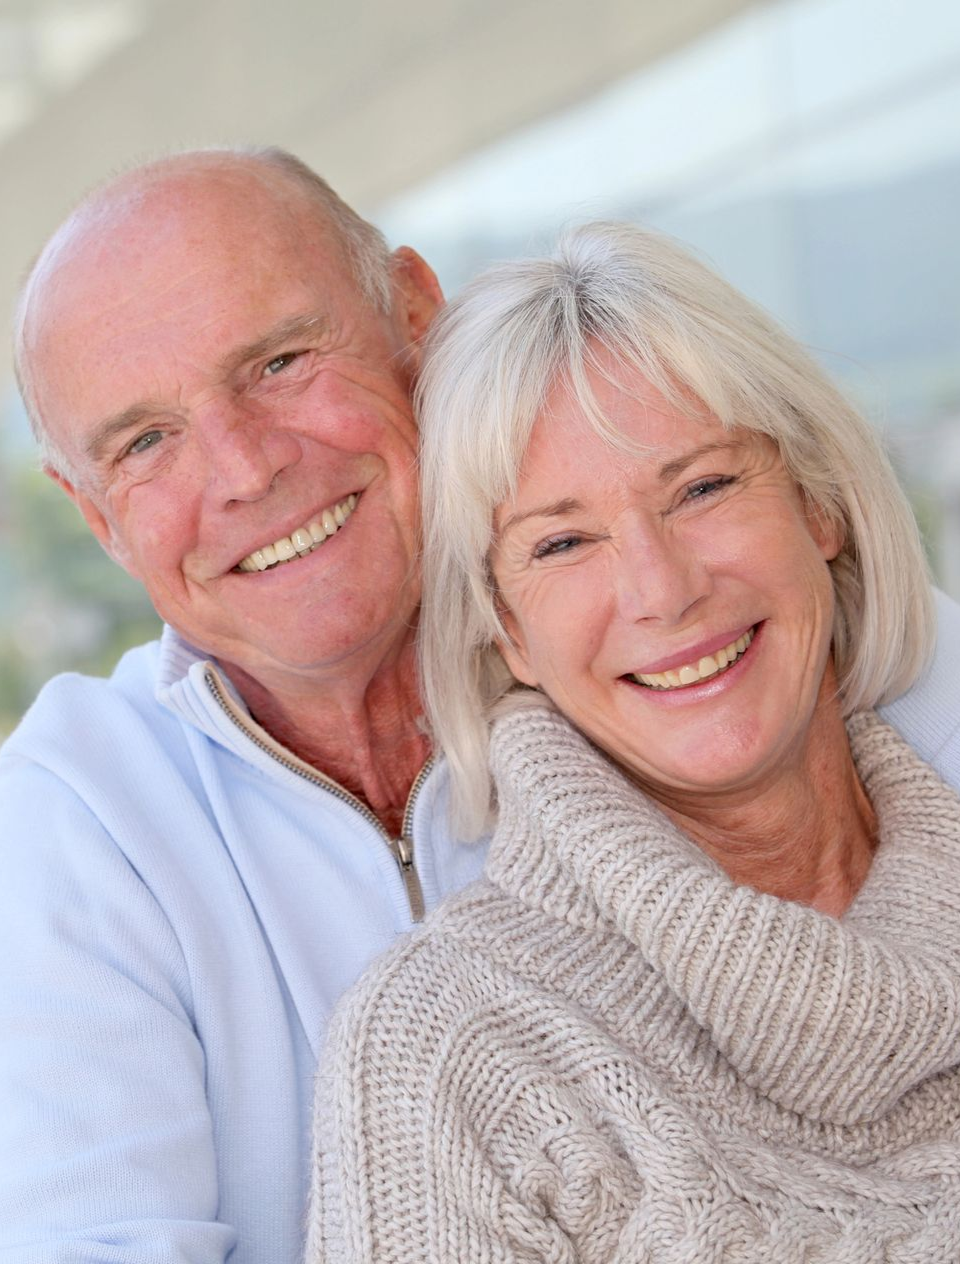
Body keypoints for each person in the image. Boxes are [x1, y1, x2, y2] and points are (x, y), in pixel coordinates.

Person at [309, 221, 960, 1262]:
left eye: (702, 488)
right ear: (507, 630)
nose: (663, 589)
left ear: (820, 507)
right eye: (564, 542)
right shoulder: (451, 1046)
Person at [0, 148, 492, 1264]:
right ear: (97, 517)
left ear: (416, 318)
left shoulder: (658, 648)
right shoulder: (76, 817)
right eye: (146, 442)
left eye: (278, 363)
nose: (245, 471)